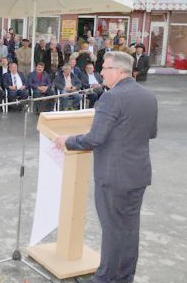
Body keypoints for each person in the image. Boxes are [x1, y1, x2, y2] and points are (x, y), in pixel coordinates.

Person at [54, 51, 157, 283]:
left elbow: (94, 138)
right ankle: (124, 277)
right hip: (138, 174)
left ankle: (104, 279)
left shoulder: (111, 98)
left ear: (119, 71)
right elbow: (150, 133)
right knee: (129, 230)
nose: (101, 72)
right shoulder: (148, 96)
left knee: (112, 229)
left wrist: (68, 140)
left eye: (105, 68)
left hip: (113, 177)